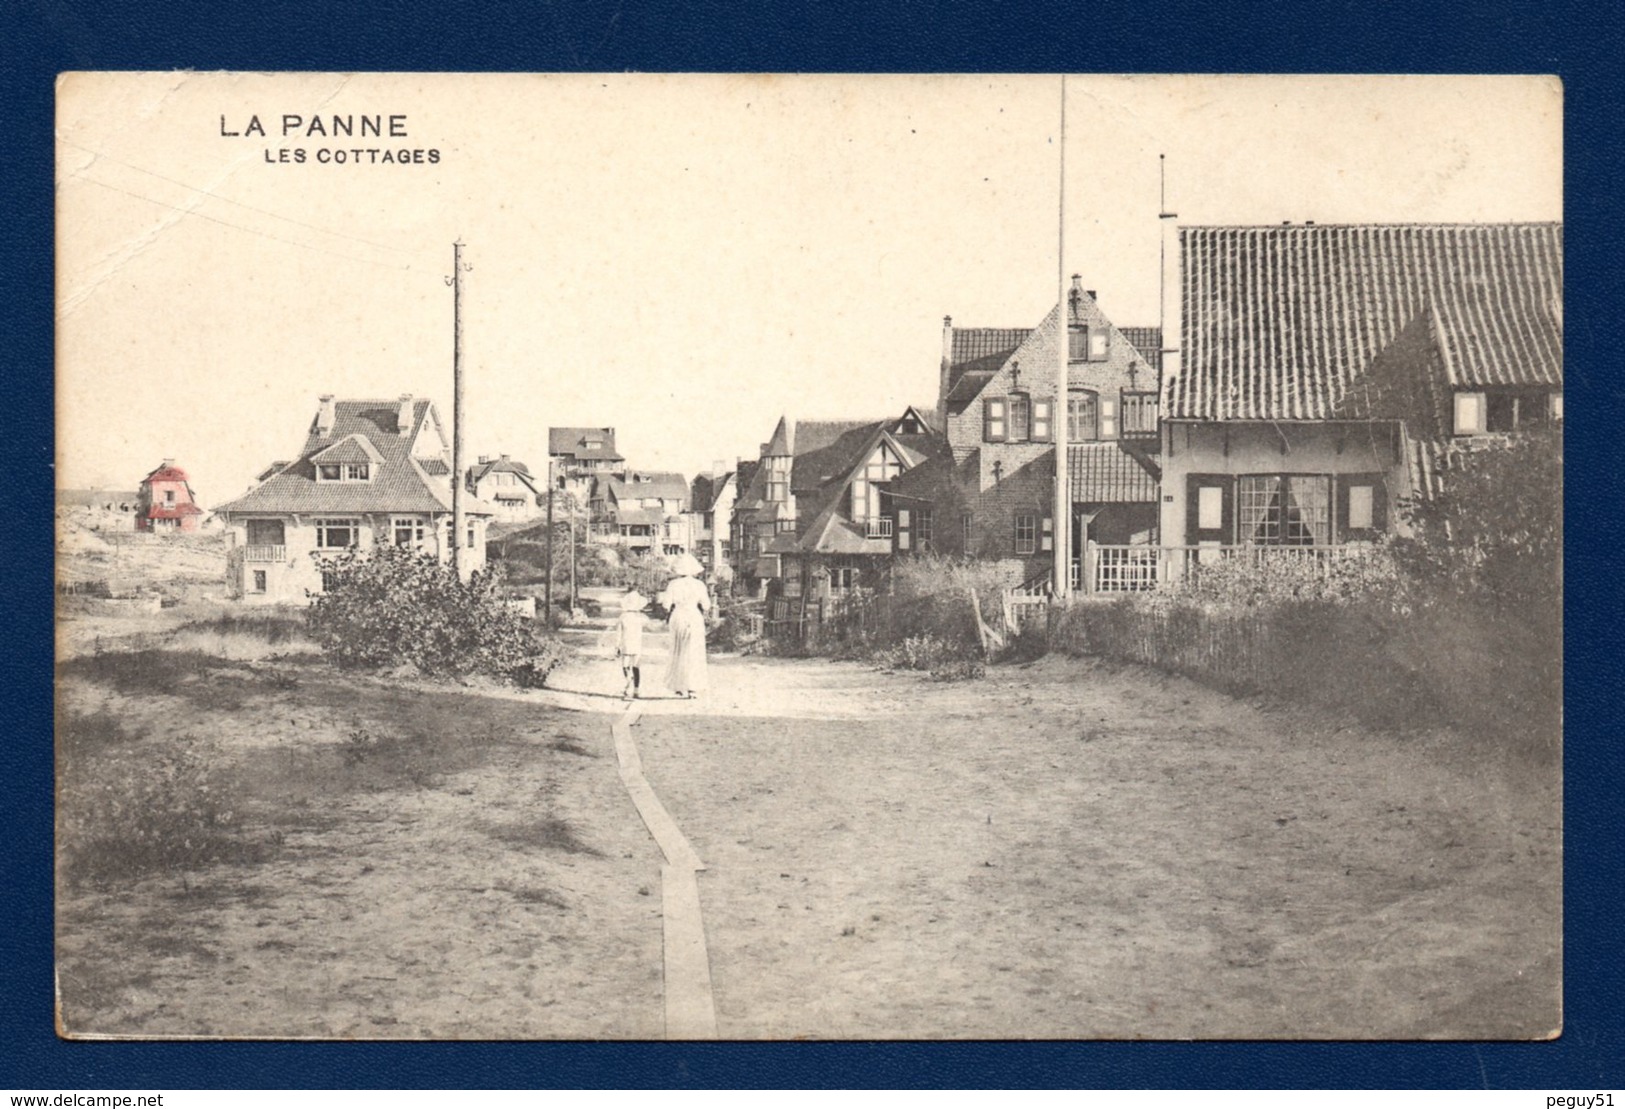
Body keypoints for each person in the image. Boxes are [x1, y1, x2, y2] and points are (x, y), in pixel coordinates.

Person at [660, 553, 711, 698]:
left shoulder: (673, 584)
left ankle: (679, 684)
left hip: (678, 616)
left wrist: (670, 609)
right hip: (694, 616)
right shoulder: (699, 585)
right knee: (694, 652)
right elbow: (706, 605)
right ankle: (693, 688)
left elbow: (666, 605)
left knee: (678, 650)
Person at [615, 590, 648, 700]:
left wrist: (617, 646)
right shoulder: (640, 617)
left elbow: (619, 633)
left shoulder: (623, 617)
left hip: (625, 644)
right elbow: (650, 625)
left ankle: (628, 681)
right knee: (636, 666)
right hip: (637, 644)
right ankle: (636, 690)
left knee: (625, 665)